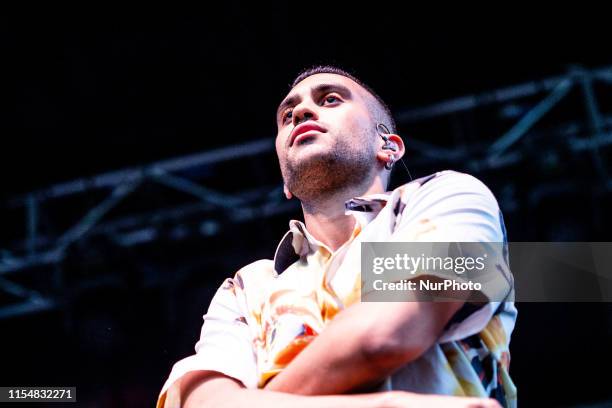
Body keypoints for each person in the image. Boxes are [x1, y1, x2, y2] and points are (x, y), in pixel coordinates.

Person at [156, 66, 517, 408]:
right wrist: (382, 404)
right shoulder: (246, 287)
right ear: (286, 182)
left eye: (329, 99)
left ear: (388, 147)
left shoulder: (447, 196)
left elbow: (385, 335)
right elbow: (199, 399)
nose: (301, 113)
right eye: (287, 116)